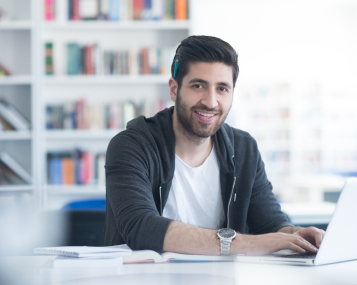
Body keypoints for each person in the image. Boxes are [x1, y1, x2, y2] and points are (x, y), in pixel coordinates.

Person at [103, 35, 325, 256]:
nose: (210, 102)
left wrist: (294, 234)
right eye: (198, 85)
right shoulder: (131, 146)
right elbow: (141, 228)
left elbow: (270, 223)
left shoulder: (243, 148)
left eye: (222, 89)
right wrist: (247, 244)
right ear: (174, 89)